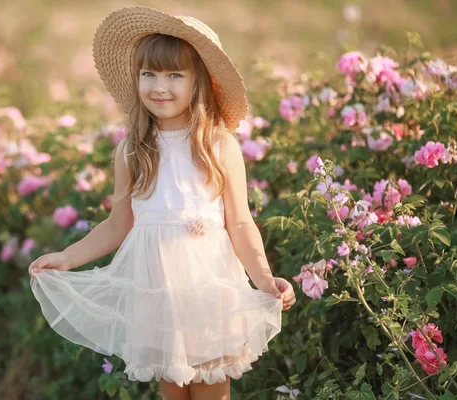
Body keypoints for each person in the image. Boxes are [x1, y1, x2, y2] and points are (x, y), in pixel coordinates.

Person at [29, 6, 296, 400]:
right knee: (173, 389)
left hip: (207, 289)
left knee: (210, 386)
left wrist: (262, 277)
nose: (160, 86)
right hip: (157, 290)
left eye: (175, 75)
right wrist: (68, 257)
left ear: (199, 82)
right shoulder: (133, 151)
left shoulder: (218, 146)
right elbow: (119, 224)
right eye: (149, 74)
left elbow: (240, 223)